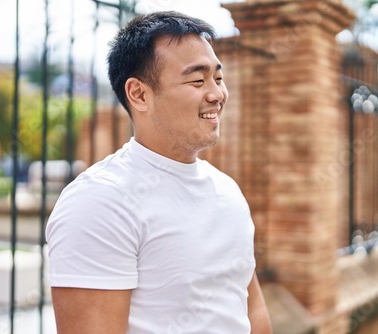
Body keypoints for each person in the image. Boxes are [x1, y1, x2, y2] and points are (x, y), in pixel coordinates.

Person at [46, 10, 272, 334]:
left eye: (218, 78)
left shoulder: (227, 191)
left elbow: (252, 309)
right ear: (139, 94)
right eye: (198, 80)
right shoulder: (99, 202)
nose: (217, 94)